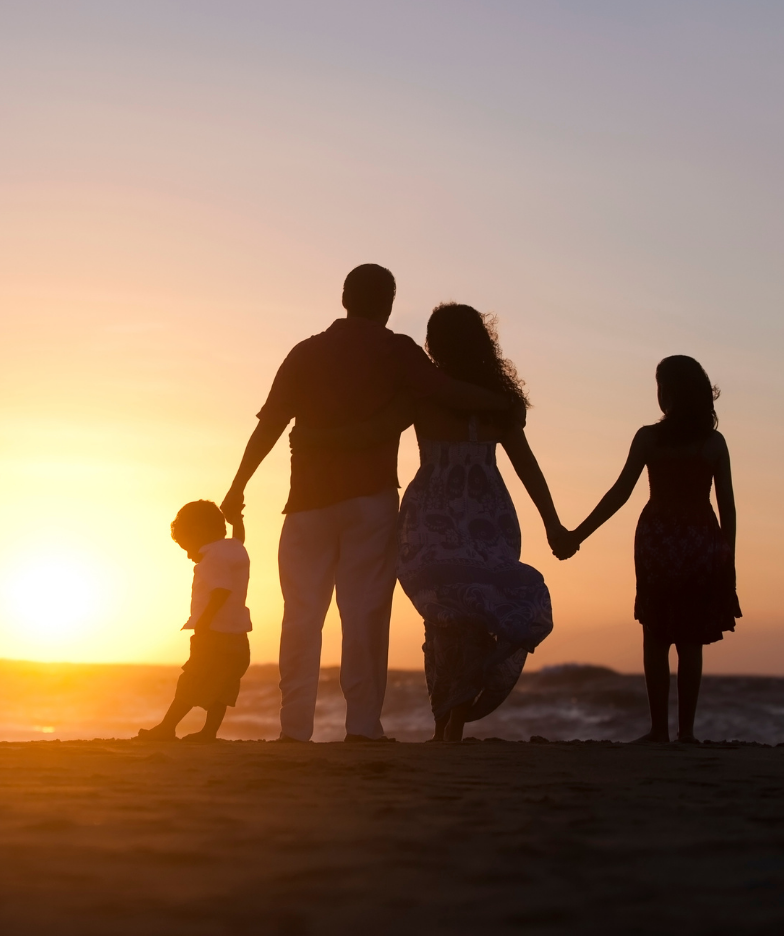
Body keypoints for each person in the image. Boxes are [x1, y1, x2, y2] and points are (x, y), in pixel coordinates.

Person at [221, 266, 516, 743]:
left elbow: (270, 424)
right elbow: (445, 391)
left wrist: (238, 486)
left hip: (306, 505)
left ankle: (294, 730)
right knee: (364, 616)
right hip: (369, 502)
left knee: (301, 615)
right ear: (390, 302)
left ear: (343, 297)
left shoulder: (305, 352)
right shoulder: (397, 350)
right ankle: (362, 727)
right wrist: (502, 403)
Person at [294, 303, 566, 741]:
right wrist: (553, 524)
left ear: (435, 344)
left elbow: (374, 431)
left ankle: (447, 722)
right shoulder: (499, 402)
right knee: (470, 612)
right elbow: (527, 467)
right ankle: (451, 721)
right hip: (487, 515)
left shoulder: (425, 394)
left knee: (442, 615)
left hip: (432, 515)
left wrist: (316, 437)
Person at [554, 355, 739, 744]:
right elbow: (728, 510)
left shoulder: (649, 438)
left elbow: (619, 494)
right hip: (700, 541)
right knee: (691, 641)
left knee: (655, 635)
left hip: (657, 542)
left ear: (668, 393)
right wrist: (728, 561)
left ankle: (658, 730)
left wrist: (577, 535)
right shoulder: (713, 443)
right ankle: (685, 733)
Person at [137, 500, 251, 743]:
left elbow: (221, 590)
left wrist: (204, 622)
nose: (190, 556)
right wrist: (238, 521)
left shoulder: (212, 559)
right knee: (224, 687)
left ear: (198, 532)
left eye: (187, 546)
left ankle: (167, 728)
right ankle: (209, 732)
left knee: (191, 681)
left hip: (214, 634)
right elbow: (238, 539)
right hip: (239, 637)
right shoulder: (233, 548)